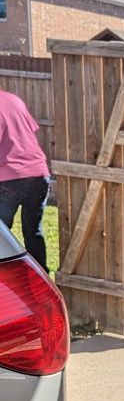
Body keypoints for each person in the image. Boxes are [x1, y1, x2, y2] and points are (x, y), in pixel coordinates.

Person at [0, 88, 50, 272]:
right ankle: (41, 280)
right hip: (39, 174)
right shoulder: (15, 100)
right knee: (33, 233)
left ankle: (6, 285)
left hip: (9, 177)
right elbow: (29, 134)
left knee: (1, 238)